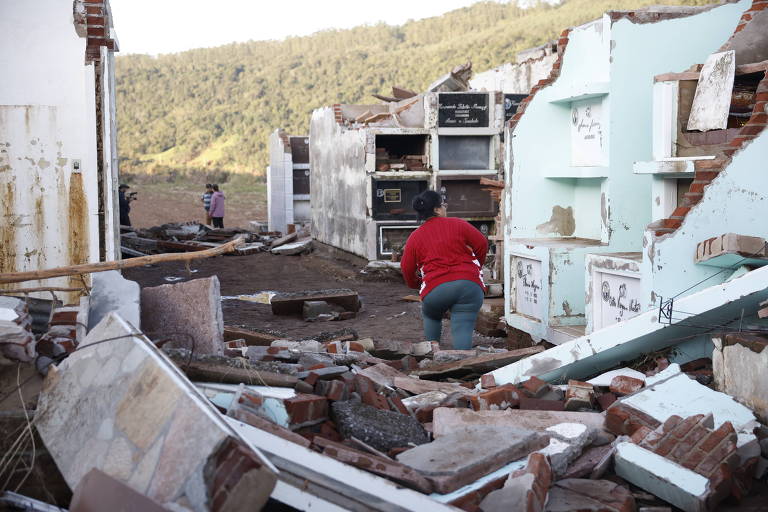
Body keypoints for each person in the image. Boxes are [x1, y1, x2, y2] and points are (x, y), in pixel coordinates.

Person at [400, 190, 488, 350]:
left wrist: (416, 284)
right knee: (463, 323)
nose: (445, 207)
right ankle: (464, 362)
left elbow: (406, 267)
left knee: (431, 316)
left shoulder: (415, 236)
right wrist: (476, 269)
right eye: (443, 204)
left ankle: (432, 353)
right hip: (469, 285)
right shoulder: (458, 224)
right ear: (437, 209)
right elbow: (482, 243)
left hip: (435, 288)